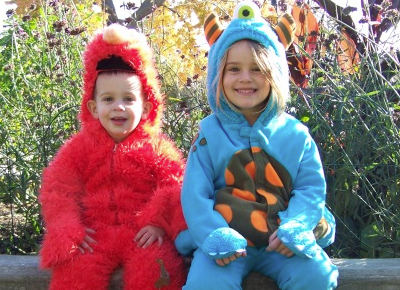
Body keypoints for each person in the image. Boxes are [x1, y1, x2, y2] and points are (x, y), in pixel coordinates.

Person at [175, 2, 339, 289]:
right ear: (218, 76)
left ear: (275, 74)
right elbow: (194, 194)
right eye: (234, 69)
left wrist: (297, 226)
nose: (245, 78)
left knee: (316, 275)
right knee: (206, 283)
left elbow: (310, 188)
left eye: (257, 69)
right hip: (228, 248)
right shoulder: (209, 134)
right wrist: (214, 234)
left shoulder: (296, 135)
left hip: (282, 244)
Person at [39, 23, 187, 290]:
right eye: (108, 99)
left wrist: (158, 223)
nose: (118, 106)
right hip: (95, 235)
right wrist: (70, 228)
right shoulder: (78, 149)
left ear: (146, 107)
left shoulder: (156, 148)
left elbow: (174, 186)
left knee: (157, 271)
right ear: (94, 108)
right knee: (74, 273)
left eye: (129, 99)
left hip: (142, 235)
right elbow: (58, 190)